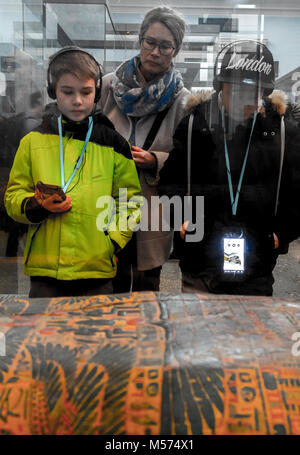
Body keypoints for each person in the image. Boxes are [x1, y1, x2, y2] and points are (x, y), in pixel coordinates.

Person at [159, 40, 300, 296]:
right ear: (219, 87)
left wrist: (282, 234)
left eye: (251, 92)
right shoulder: (195, 126)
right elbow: (170, 181)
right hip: (199, 261)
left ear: (263, 92)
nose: (241, 100)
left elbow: (297, 191)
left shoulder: (281, 133)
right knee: (197, 331)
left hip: (257, 262)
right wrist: (180, 218)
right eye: (233, 90)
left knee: (251, 333)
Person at [4, 46, 142, 298]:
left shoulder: (114, 144)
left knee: (95, 335)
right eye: (67, 92)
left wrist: (111, 242)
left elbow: (131, 202)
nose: (77, 100)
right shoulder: (32, 142)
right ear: (52, 91)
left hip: (96, 267)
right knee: (44, 334)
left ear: (97, 92)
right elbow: (13, 195)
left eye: (86, 92)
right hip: (45, 270)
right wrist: (35, 205)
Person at [100, 6, 190, 292]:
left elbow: (188, 157)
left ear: (175, 50)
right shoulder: (107, 88)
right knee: (106, 285)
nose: (156, 51)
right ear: (140, 41)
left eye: (166, 45)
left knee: (146, 289)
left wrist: (156, 160)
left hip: (152, 208)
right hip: (107, 203)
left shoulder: (183, 101)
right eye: (150, 42)